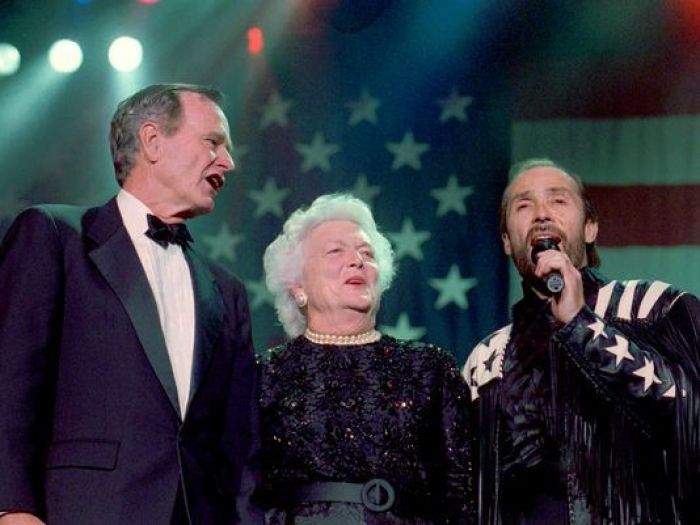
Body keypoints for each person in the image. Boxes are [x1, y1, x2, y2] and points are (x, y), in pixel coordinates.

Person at [0, 83, 260, 524]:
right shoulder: (54, 236)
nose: (228, 162)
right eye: (213, 142)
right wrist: (13, 508)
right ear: (153, 141)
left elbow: (239, 444)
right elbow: (10, 382)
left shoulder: (226, 290)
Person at [463, 158, 700, 525]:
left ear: (590, 228)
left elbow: (688, 416)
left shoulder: (654, 308)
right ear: (508, 242)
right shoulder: (486, 359)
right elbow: (472, 488)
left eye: (558, 201)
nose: (541, 214)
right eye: (523, 206)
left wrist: (582, 325)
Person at [256, 193, 475, 524]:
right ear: (297, 285)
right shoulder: (264, 374)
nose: (356, 261)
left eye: (366, 253)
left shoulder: (430, 368)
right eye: (335, 251)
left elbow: (462, 494)